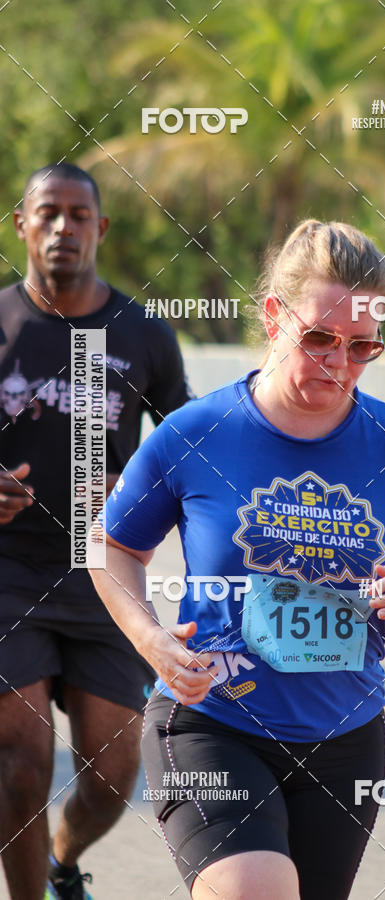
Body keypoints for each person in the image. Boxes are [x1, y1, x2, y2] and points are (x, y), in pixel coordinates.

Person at [91, 219, 385, 900]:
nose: (339, 363)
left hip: (346, 739)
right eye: (320, 338)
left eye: (363, 347)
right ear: (275, 317)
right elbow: (110, 545)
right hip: (212, 721)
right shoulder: (197, 432)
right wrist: (149, 639)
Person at [0, 162, 193, 900]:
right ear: (22, 223)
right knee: (18, 760)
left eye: (79, 215)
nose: (63, 228)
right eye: (47, 213)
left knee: (112, 776)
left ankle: (61, 860)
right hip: (9, 569)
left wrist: (139, 485)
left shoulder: (142, 333)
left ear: (100, 228)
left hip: (105, 576)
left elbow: (189, 444)